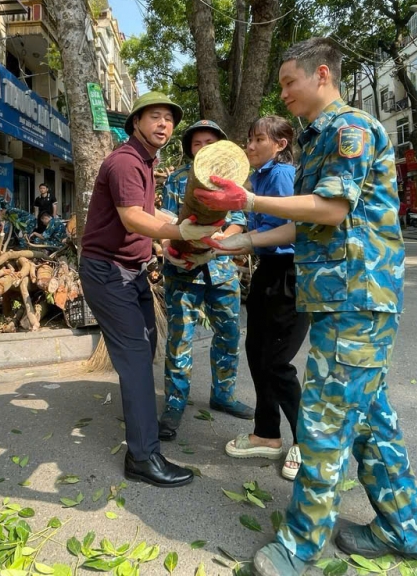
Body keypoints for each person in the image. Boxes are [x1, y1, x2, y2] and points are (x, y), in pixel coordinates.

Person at [199, 37, 417, 576]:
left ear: (321, 74)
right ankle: (406, 529)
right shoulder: (316, 136)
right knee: (372, 420)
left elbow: (330, 207)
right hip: (341, 297)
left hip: (355, 296)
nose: (283, 95)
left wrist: (249, 200)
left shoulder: (350, 129)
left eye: (288, 83)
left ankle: (299, 548)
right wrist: (244, 240)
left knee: (324, 422)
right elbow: (305, 220)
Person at [78, 92, 223, 488]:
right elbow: (132, 218)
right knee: (138, 358)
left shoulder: (144, 162)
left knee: (146, 346)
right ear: (136, 122)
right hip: (109, 273)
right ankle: (142, 456)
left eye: (169, 119)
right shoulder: (125, 162)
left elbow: (150, 214)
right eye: (155, 116)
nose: (163, 124)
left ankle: (140, 422)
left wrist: (180, 234)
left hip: (131, 271)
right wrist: (180, 232)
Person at [224, 116, 309, 483]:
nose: (251, 145)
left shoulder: (281, 176)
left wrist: (245, 241)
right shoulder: (258, 178)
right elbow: (250, 227)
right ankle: (267, 433)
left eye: (259, 139)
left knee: (276, 362)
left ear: (281, 144)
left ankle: (306, 444)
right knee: (257, 353)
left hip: (290, 274)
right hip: (267, 273)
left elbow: (289, 231)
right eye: (250, 138)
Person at [159, 120, 253, 442]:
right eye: (197, 143)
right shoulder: (175, 180)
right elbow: (166, 223)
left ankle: (223, 394)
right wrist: (168, 249)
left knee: (228, 335)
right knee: (180, 339)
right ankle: (174, 401)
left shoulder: (231, 184)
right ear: (189, 148)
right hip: (183, 271)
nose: (202, 148)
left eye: (209, 143)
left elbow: (238, 222)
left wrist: (217, 246)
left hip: (222, 270)